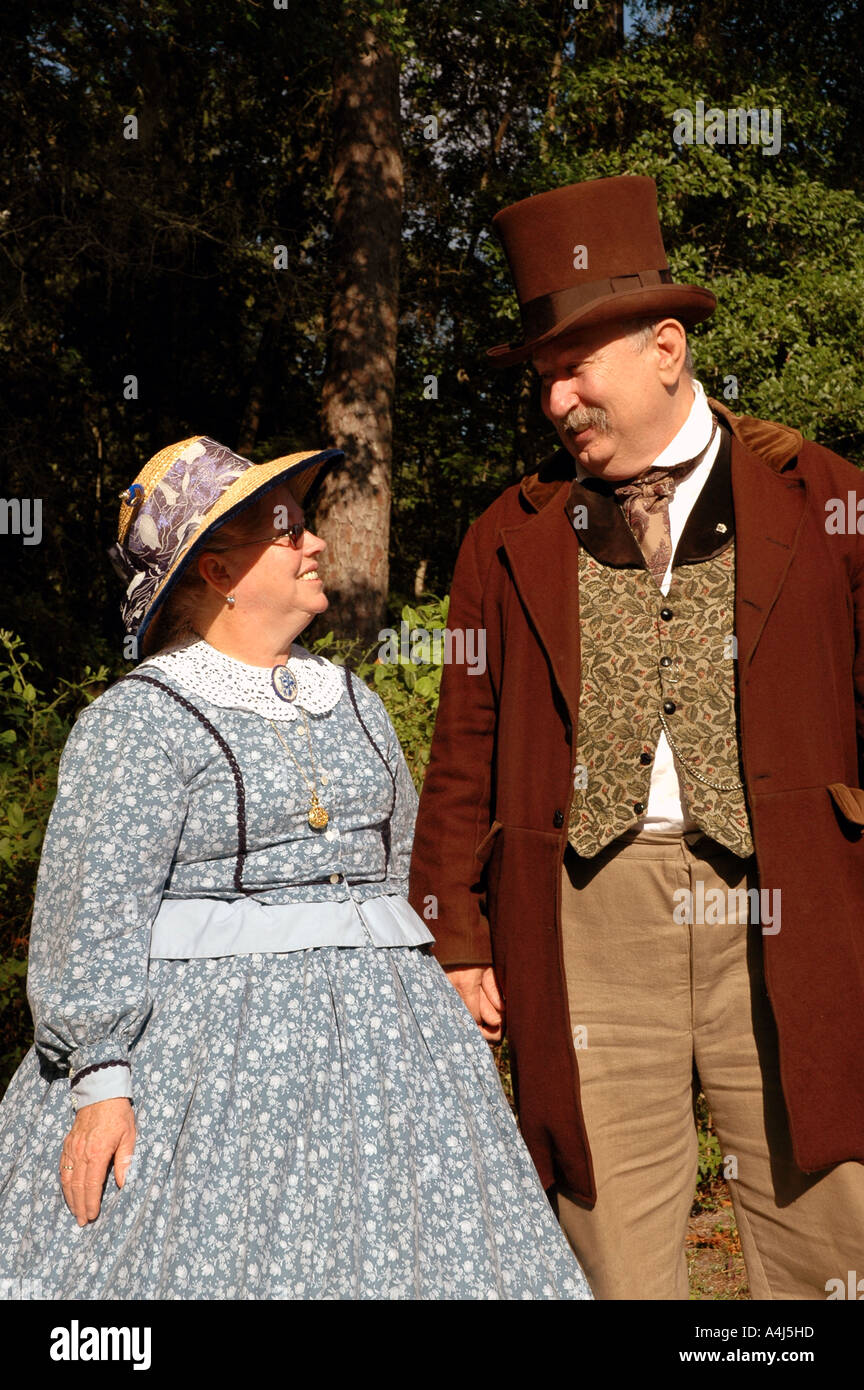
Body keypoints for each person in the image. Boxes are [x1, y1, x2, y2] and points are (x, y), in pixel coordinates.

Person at [408, 174, 864, 1300]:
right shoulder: (506, 537)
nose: (558, 399)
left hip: (791, 897)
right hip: (583, 912)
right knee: (605, 1237)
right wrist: (454, 933)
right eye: (544, 378)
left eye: (577, 366)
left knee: (830, 1225)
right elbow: (464, 741)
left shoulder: (826, 501)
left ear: (668, 348)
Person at [0, 434, 590, 1300]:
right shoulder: (139, 722)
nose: (314, 544)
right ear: (216, 573)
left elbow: (394, 876)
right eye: (288, 533)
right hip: (212, 1065)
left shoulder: (350, 698)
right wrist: (101, 1084)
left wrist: (446, 971)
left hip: (394, 1052)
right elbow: (91, 919)